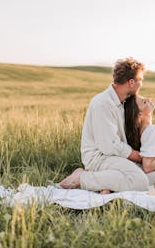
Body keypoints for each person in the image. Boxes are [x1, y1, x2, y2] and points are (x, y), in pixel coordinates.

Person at [59, 57, 149, 192]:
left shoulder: (122, 102)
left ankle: (105, 184)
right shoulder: (103, 103)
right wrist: (139, 156)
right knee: (140, 182)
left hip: (113, 156)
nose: (141, 84)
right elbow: (109, 145)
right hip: (99, 157)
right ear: (131, 82)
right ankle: (81, 178)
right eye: (140, 80)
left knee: (145, 173)